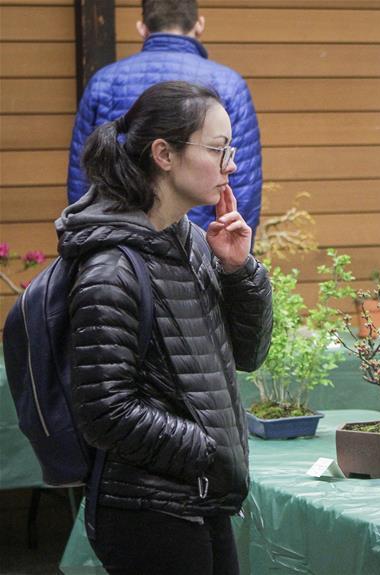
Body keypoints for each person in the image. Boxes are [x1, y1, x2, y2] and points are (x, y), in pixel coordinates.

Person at [57, 80, 272, 575]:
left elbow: (249, 354)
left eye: (230, 151)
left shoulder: (193, 242)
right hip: (147, 512)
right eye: (218, 149)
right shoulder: (110, 270)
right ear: (164, 154)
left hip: (201, 496)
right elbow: (105, 412)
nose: (231, 166)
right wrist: (206, 447)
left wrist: (239, 271)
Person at [66, 0, 263, 236]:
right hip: (203, 244)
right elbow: (245, 186)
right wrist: (222, 251)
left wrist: (90, 240)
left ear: (142, 28)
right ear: (199, 25)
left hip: (116, 237)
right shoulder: (228, 84)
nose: (229, 164)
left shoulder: (103, 82)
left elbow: (82, 178)